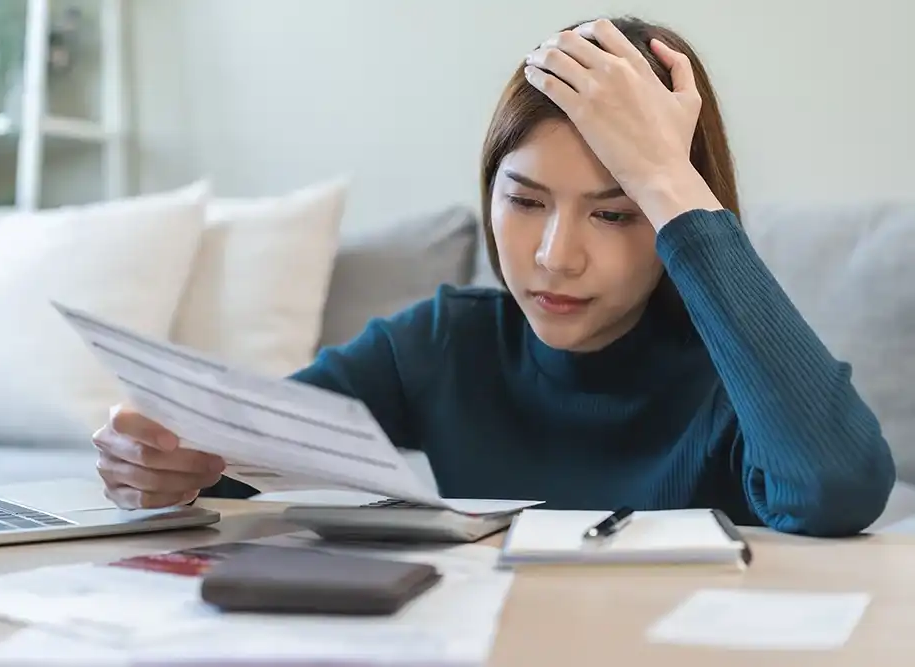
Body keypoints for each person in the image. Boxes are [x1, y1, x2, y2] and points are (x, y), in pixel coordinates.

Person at [92, 16, 896, 537]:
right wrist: (171, 456)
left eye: (615, 212)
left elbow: (838, 489)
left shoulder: (743, 380)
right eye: (524, 199)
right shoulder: (441, 343)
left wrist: (666, 175)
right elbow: (247, 454)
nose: (553, 256)